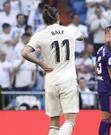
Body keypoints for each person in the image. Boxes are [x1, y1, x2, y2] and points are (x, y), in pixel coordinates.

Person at [21, 5, 85, 135]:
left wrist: (40, 63)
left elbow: (25, 52)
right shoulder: (70, 30)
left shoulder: (40, 35)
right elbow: (82, 36)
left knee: (54, 123)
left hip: (51, 79)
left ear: (44, 20)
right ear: (58, 17)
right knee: (70, 121)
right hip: (68, 79)